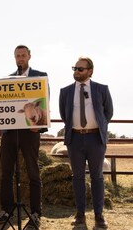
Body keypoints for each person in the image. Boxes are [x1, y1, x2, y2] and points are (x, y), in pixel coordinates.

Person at [0, 45, 47, 229]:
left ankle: (35, 213)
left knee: (33, 172)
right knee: (6, 172)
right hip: (10, 133)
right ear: (14, 57)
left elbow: (45, 105)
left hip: (30, 133)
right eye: (17, 56)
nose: (20, 58)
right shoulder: (7, 80)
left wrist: (39, 128)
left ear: (29, 56)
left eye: (23, 55)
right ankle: (7, 209)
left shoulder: (40, 77)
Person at [59, 57, 113, 229]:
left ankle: (99, 215)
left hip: (95, 139)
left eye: (80, 69)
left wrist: (96, 129)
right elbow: (64, 114)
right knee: (78, 177)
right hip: (74, 139)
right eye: (74, 68)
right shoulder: (66, 91)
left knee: (97, 177)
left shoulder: (101, 89)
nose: (76, 72)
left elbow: (108, 113)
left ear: (90, 71)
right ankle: (80, 215)